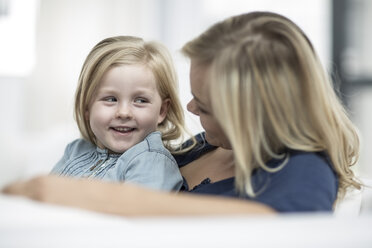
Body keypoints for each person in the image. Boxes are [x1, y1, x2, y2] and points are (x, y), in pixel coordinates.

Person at [2, 11, 361, 215]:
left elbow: (291, 224)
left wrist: (86, 196)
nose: (190, 108)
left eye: (203, 106)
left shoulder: (302, 167)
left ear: (251, 115)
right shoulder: (206, 145)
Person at [48, 35, 191, 191]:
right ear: (87, 107)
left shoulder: (152, 161)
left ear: (162, 111)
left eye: (140, 100)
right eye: (111, 99)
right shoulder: (75, 150)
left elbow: (134, 210)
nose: (124, 113)